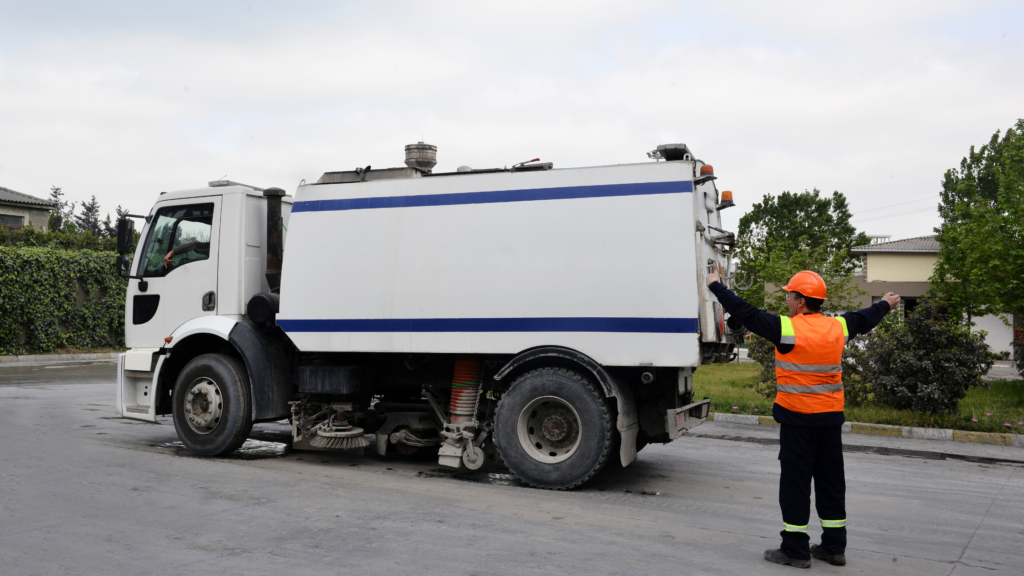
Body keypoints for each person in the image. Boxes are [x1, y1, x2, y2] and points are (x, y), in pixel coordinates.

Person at [705, 269, 899, 569]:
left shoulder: (787, 328)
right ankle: (834, 548)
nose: (786, 300)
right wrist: (885, 303)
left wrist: (715, 285)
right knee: (831, 483)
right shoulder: (838, 327)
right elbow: (864, 318)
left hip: (798, 422)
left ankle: (795, 550)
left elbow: (745, 312)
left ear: (800, 301)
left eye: (789, 295)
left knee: (796, 485)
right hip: (830, 422)